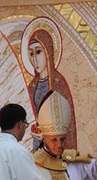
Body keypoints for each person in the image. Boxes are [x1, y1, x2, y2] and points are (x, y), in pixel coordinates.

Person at [23, 18, 77, 149]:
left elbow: (68, 125)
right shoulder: (31, 87)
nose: (34, 59)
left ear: (48, 51)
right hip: (38, 145)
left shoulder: (59, 83)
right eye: (31, 53)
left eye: (38, 51)